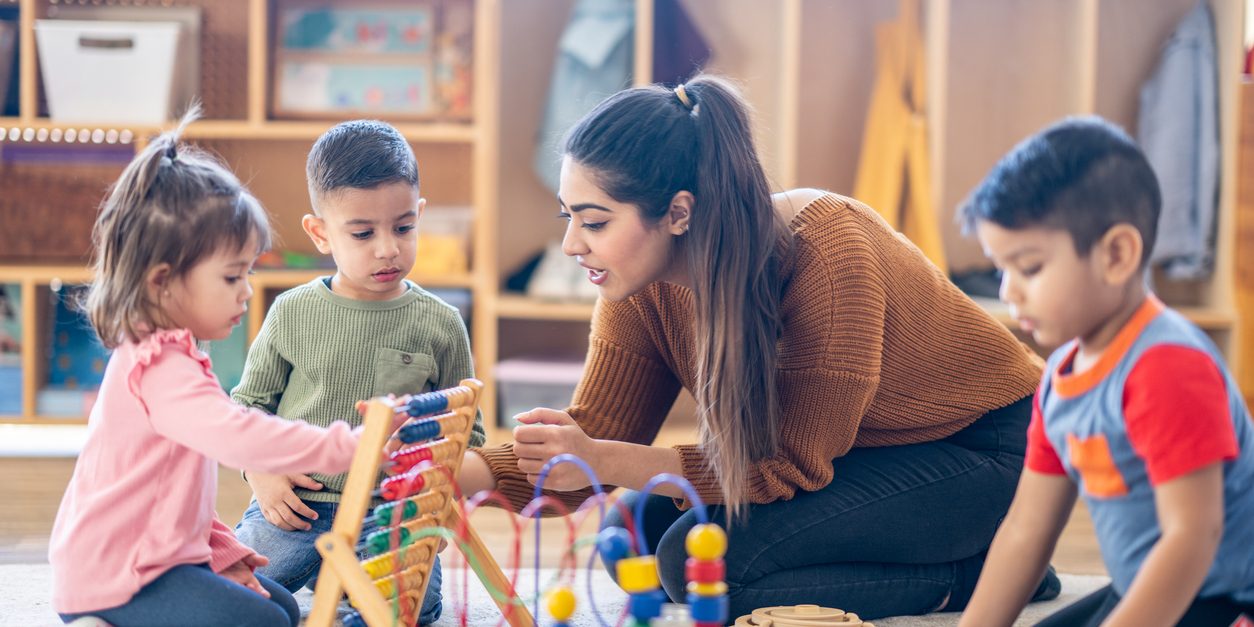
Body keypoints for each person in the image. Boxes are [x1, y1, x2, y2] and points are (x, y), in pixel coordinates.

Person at [457, 74, 1058, 620]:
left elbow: (787, 465)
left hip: (990, 450)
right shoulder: (639, 286)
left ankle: (979, 575)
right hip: (861, 451)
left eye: (594, 222)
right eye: (568, 217)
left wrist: (604, 459)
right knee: (633, 538)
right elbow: (593, 434)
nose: (569, 245)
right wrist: (465, 474)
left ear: (677, 213)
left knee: (705, 573)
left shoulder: (827, 254)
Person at [49, 108, 383, 627]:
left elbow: (173, 498)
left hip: (157, 557)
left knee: (282, 607)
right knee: (266, 622)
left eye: (247, 273)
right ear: (163, 282)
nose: (247, 292)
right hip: (119, 574)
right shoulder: (159, 367)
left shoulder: (175, 353)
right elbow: (239, 437)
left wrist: (225, 554)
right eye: (232, 277)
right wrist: (347, 447)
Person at [958, 118, 1254, 627]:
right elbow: (1027, 530)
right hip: (1145, 587)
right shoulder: (1061, 376)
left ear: (1116, 255)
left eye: (1028, 268)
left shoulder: (1168, 366)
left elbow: (1192, 538)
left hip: (1221, 601)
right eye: (1001, 268)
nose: (1008, 291)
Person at [231, 119, 485, 625]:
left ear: (420, 216)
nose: (387, 248)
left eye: (404, 227)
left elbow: (468, 434)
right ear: (320, 233)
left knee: (407, 610)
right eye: (363, 233)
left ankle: (340, 582)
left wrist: (425, 489)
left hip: (391, 516)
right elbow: (245, 408)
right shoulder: (291, 311)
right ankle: (325, 576)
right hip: (296, 505)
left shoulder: (442, 323)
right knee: (231, 598)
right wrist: (260, 472)